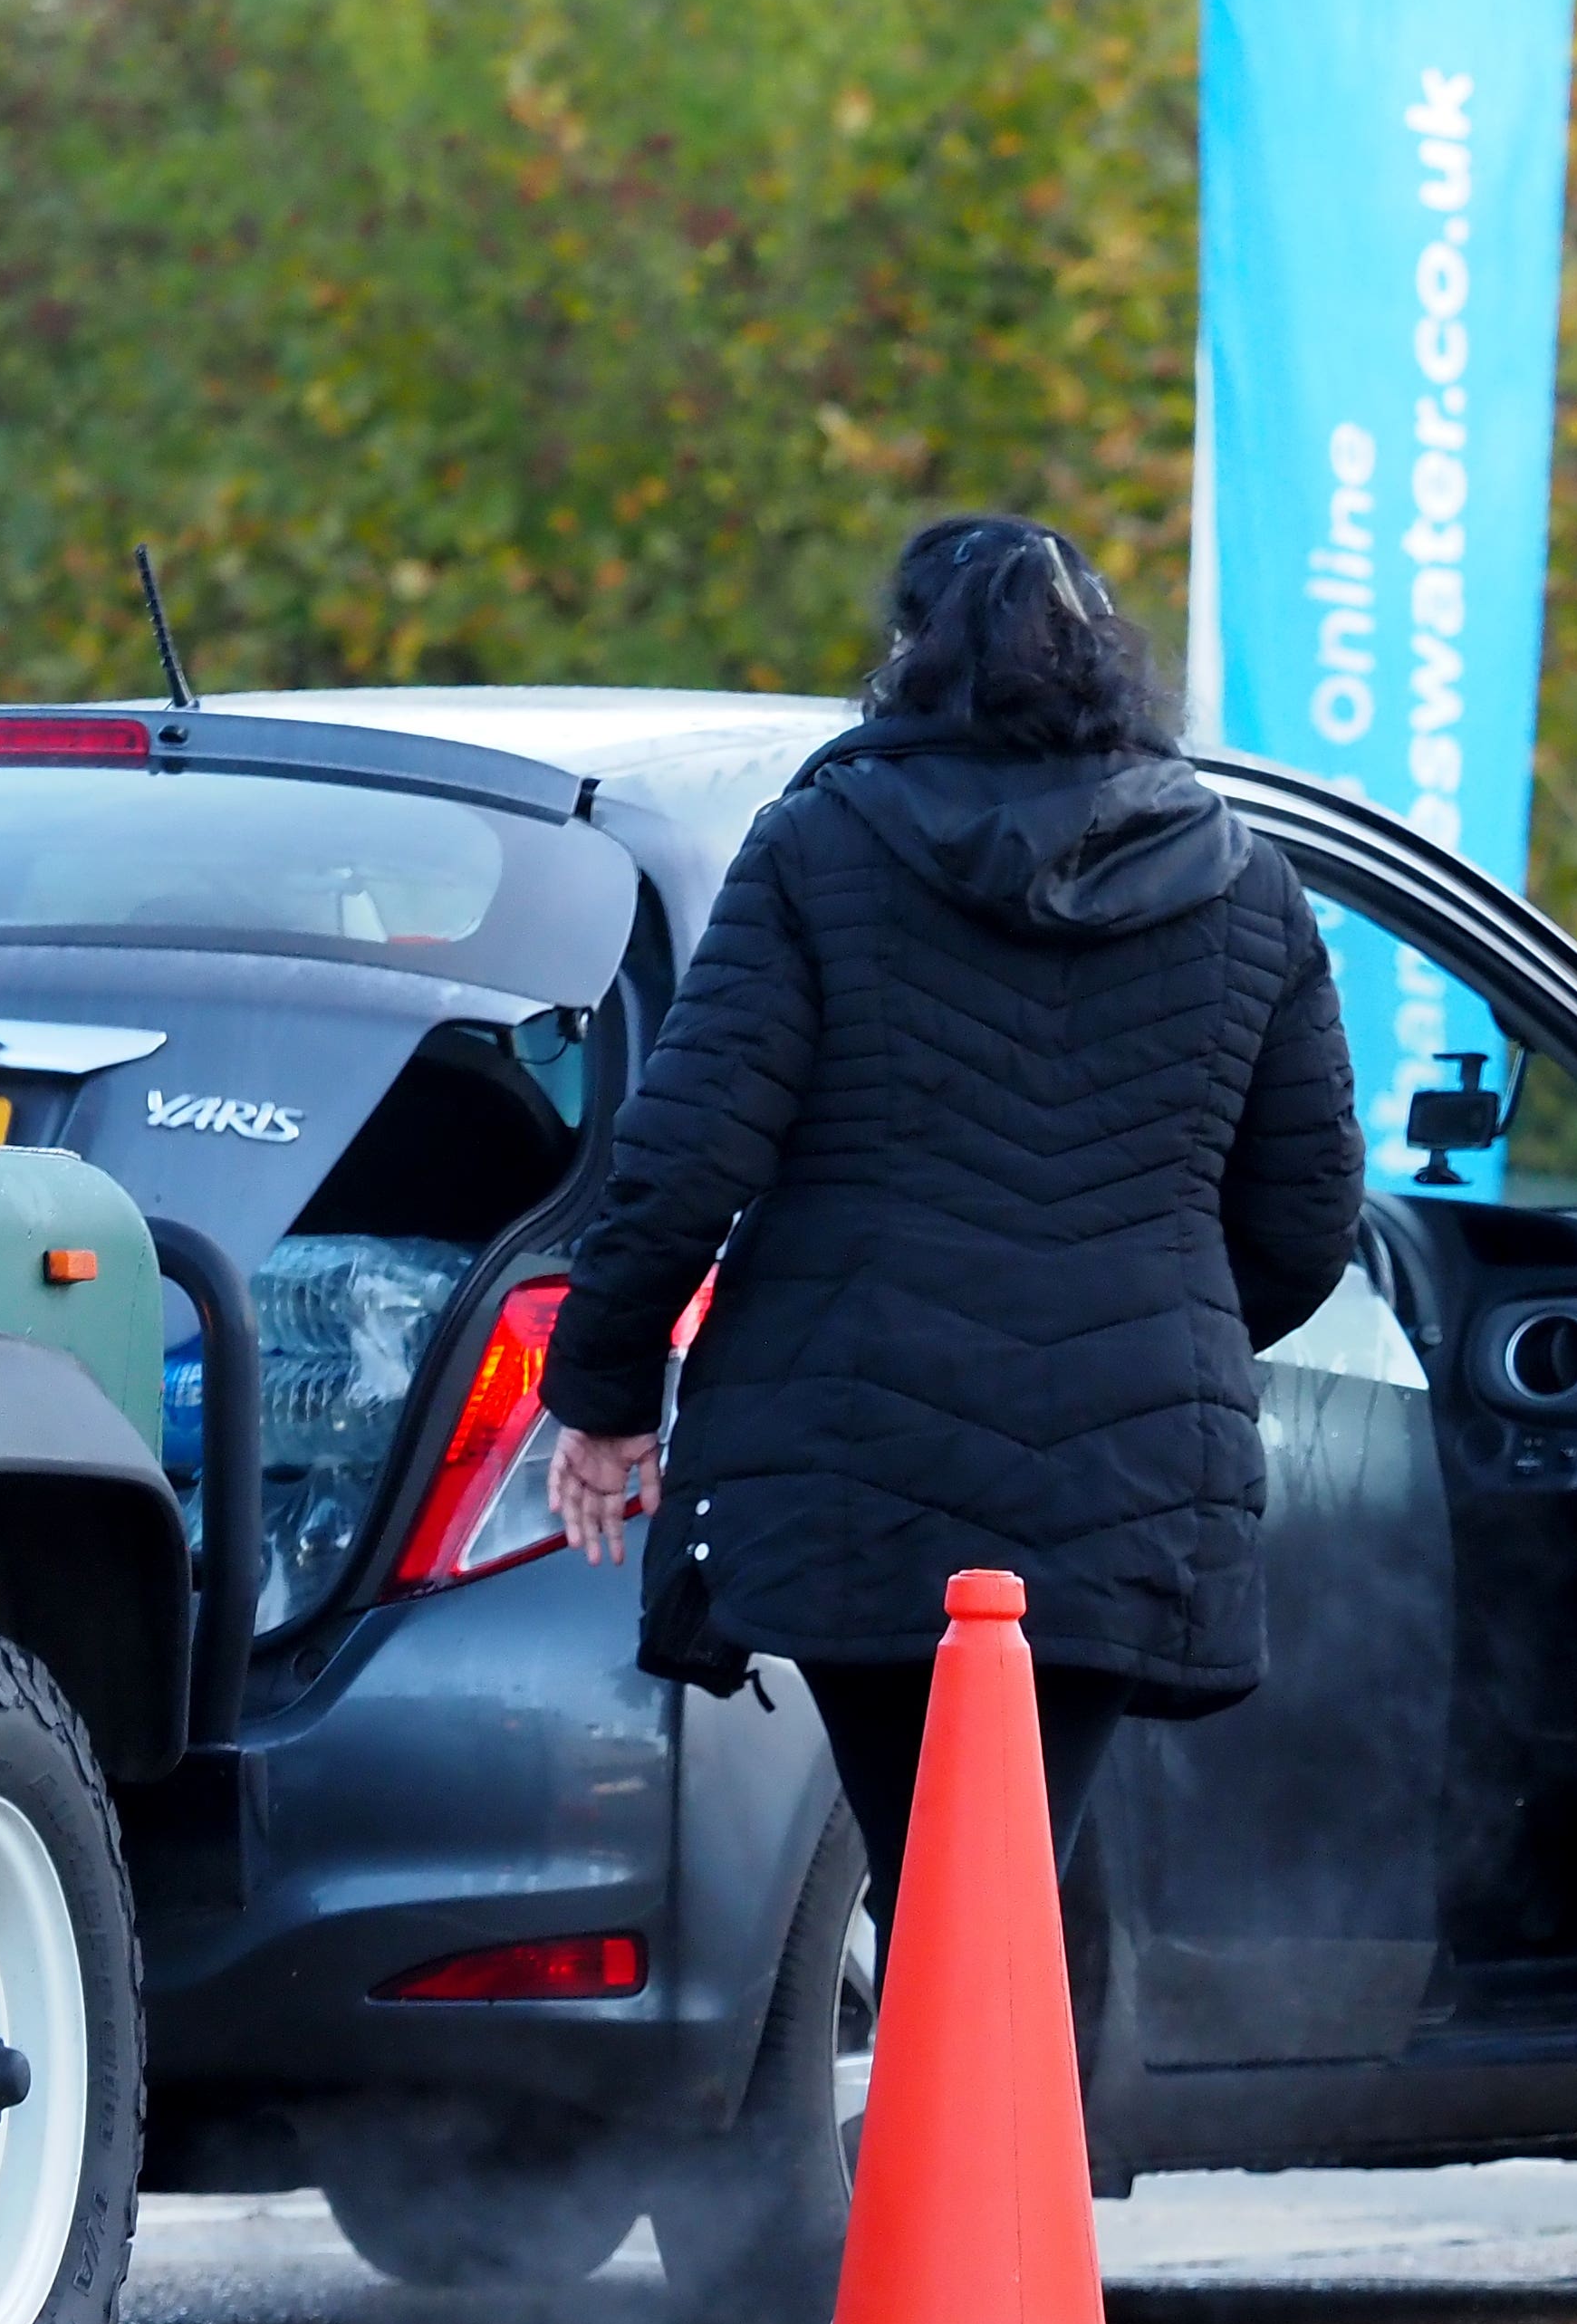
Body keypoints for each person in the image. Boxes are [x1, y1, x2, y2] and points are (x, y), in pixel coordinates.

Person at [538, 514, 1364, 1935]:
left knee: (930, 1871)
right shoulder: (1248, 884)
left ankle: (975, 2144)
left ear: (910, 661)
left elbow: (683, 1156)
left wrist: (606, 1396)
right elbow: (1306, 1216)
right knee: (1004, 1875)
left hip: (860, 1451)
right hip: (1129, 1460)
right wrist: (1158, 1324)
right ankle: (1012, 2142)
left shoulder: (817, 849)